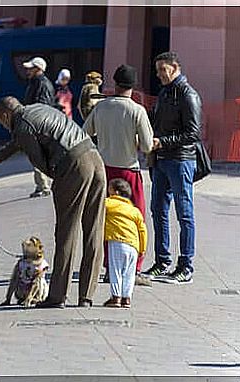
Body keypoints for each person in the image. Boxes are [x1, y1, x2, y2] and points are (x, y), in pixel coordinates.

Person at [0, 96, 106, 309]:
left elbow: (38, 160)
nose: (5, 127)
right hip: (94, 157)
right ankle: (86, 296)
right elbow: (17, 144)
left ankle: (57, 296)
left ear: (5, 115)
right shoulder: (36, 109)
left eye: (2, 123)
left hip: (73, 165)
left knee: (66, 231)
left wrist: (58, 180)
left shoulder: (22, 125)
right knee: (94, 230)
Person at [84, 64, 153, 280]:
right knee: (135, 219)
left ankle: (107, 266)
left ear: (114, 84)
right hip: (128, 172)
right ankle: (134, 268)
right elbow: (147, 145)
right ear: (133, 86)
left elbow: (85, 133)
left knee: (106, 219)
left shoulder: (101, 107)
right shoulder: (136, 110)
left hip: (104, 170)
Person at [142, 52, 202, 284]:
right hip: (161, 161)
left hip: (180, 160)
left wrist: (163, 141)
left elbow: (193, 133)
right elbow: (157, 121)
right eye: (157, 70)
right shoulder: (165, 93)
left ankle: (186, 265)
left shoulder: (188, 95)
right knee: (158, 210)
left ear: (175, 67)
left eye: (162, 70)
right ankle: (162, 261)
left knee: (184, 214)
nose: (159, 75)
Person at [103, 178, 147, 309]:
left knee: (115, 269)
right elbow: (142, 229)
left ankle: (116, 297)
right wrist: (142, 248)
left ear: (115, 192)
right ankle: (126, 298)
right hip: (134, 245)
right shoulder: (134, 210)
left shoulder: (108, 203)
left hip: (117, 241)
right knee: (129, 273)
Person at [22, 56, 56, 198]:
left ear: (38, 69)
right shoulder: (35, 82)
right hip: (35, 124)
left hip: (39, 126)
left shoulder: (43, 85)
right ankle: (41, 185)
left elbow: (43, 107)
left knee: (38, 155)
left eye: (31, 68)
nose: (27, 71)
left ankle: (43, 186)